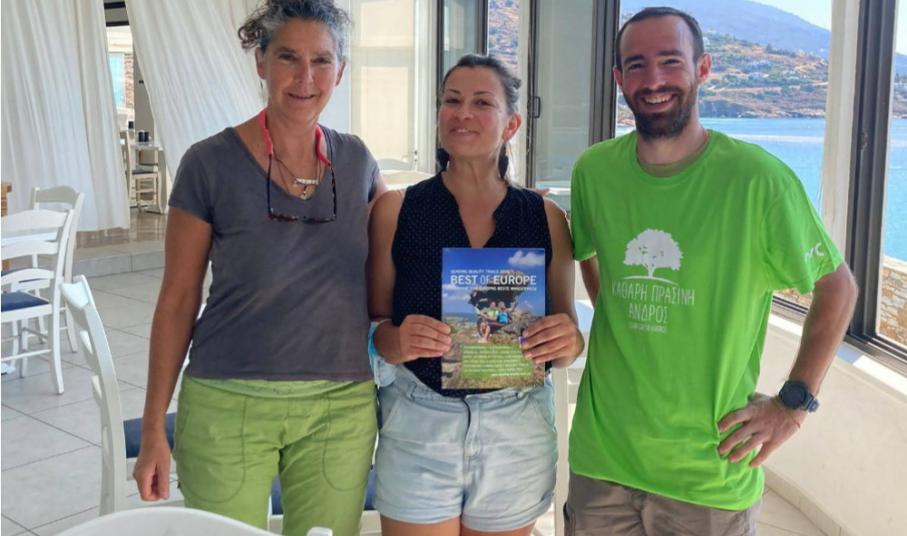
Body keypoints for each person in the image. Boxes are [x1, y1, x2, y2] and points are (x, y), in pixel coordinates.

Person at [566, 7, 858, 535]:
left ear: (703, 69)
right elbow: (590, 252)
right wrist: (621, 317)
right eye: (636, 65)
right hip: (601, 459)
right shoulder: (594, 171)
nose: (653, 79)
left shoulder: (757, 181)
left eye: (670, 61)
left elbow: (837, 288)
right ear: (618, 79)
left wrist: (792, 406)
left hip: (710, 472)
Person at [132, 1, 386, 534]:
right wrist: (154, 424)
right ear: (261, 62)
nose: (305, 77)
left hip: (340, 406)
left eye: (321, 61)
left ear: (340, 70)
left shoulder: (357, 161)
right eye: (288, 57)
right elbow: (177, 299)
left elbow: (404, 248)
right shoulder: (209, 163)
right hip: (228, 399)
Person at [367, 54, 584, 536]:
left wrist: (567, 341)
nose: (462, 113)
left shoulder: (546, 218)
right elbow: (374, 328)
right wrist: (395, 340)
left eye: (482, 102)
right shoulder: (395, 210)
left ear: (511, 124)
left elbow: (569, 337)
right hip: (419, 420)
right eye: (452, 100)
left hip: (516, 426)